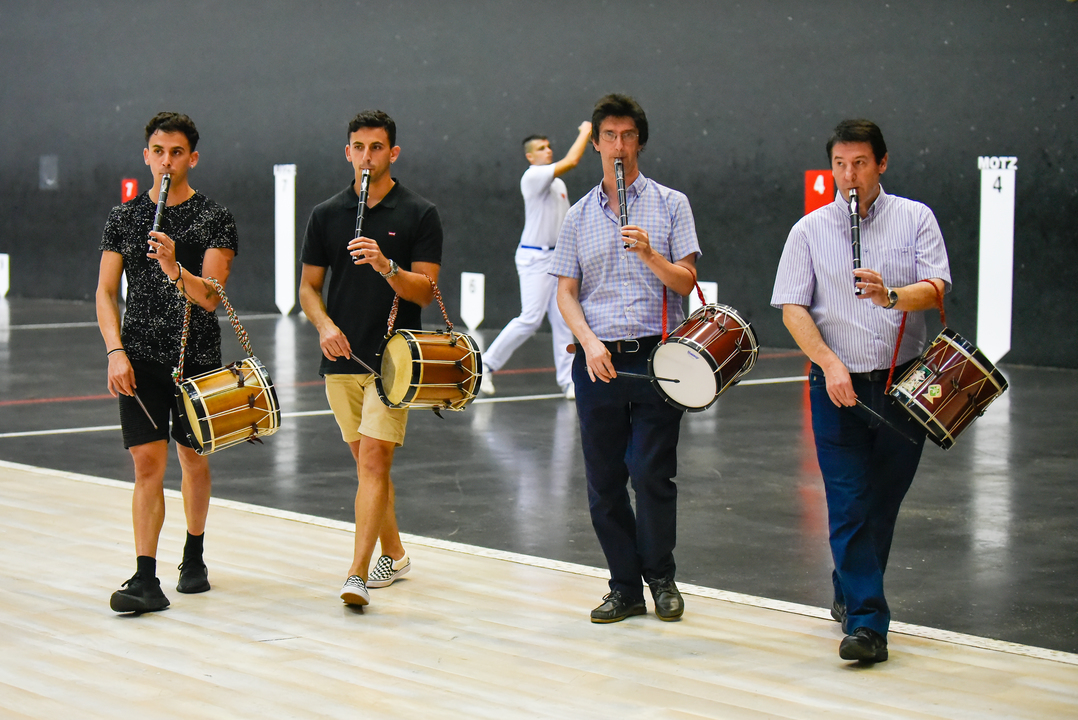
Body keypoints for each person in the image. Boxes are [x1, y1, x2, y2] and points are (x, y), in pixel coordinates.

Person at [771, 119, 951, 663]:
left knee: (880, 505)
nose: (849, 175)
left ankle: (849, 588)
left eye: (860, 164)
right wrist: (828, 363)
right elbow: (792, 307)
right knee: (848, 503)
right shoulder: (808, 230)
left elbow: (936, 288)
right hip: (836, 385)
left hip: (904, 384)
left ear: (882, 163)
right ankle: (868, 625)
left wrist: (891, 295)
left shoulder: (915, 218)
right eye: (840, 164)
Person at [550, 94, 701, 624]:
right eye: (609, 136)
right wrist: (589, 342)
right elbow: (566, 292)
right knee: (605, 482)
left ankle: (661, 577)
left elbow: (686, 281)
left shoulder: (672, 204)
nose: (619, 146)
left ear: (640, 142)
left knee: (653, 473)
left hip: (660, 357)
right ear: (596, 144)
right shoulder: (576, 216)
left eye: (628, 136)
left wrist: (651, 254)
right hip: (599, 360)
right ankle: (625, 586)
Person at [96, 112, 239, 613]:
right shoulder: (124, 218)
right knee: (146, 464)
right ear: (146, 156)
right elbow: (105, 292)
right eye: (158, 152)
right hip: (138, 358)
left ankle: (193, 555)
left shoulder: (214, 217)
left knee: (192, 459)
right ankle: (144, 577)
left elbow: (211, 297)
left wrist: (174, 267)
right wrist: (115, 351)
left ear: (192, 158)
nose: (166, 161)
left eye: (176, 153)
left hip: (195, 356)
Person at [299, 110, 443, 607]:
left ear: (393, 153)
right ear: (347, 152)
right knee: (367, 466)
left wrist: (386, 266)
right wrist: (324, 326)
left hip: (394, 360)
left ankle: (356, 574)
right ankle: (396, 554)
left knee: (375, 460)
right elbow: (309, 288)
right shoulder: (326, 214)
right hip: (341, 358)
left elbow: (425, 291)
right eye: (358, 147)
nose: (367, 156)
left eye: (376, 147)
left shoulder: (420, 213)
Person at [481, 122, 592, 399]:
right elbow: (573, 160)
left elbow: (567, 222)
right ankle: (485, 365)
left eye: (549, 146)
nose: (548, 150)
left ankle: (568, 381)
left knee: (563, 319)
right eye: (541, 148)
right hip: (534, 257)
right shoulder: (532, 177)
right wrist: (586, 132)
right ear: (530, 157)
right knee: (530, 319)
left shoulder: (558, 184)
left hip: (558, 257)